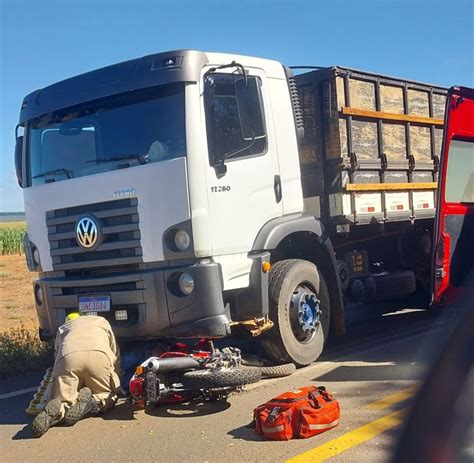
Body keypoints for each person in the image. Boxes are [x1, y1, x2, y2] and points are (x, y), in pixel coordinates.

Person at [31, 313, 121, 437]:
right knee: (106, 395)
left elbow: (57, 357)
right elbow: (115, 355)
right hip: (98, 357)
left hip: (68, 357)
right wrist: (116, 386)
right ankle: (93, 402)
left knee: (63, 398)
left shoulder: (63, 328)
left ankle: (59, 409)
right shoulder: (101, 322)